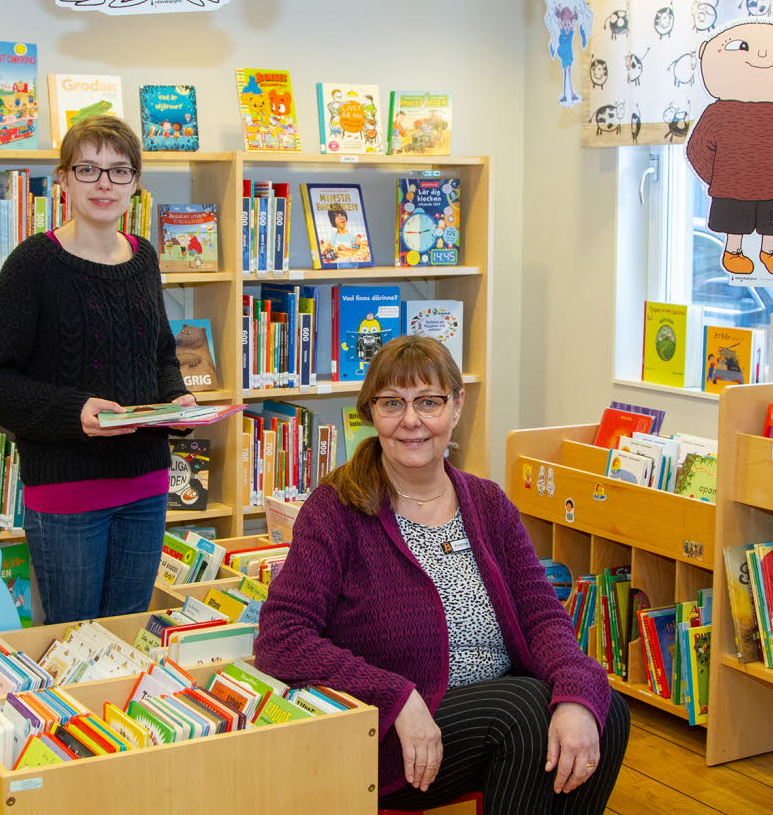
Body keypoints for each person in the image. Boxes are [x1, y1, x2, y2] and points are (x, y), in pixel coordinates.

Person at [255, 336, 629, 814]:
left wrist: (577, 690)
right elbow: (281, 638)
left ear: (457, 406)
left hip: (495, 713)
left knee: (604, 710)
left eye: (428, 402)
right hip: (393, 734)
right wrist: (396, 696)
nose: (411, 421)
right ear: (371, 413)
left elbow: (542, 619)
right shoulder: (335, 510)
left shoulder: (489, 502)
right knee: (526, 710)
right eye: (392, 403)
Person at [0, 115, 193, 625]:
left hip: (147, 485)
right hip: (68, 491)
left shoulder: (144, 258)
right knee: (72, 643)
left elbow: (159, 352)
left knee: (125, 635)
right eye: (88, 169)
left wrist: (177, 399)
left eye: (119, 171)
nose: (104, 184)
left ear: (136, 184)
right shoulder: (34, 263)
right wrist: (75, 411)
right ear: (64, 179)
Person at [688, 20, 773, 276]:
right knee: (734, 219)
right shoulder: (718, 112)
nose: (762, 55)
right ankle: (733, 250)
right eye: (741, 46)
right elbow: (697, 150)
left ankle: (770, 250)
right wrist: (718, 178)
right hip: (732, 188)